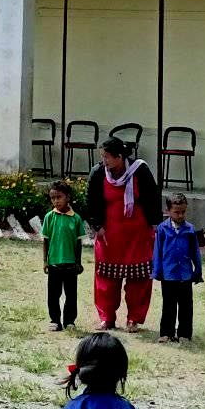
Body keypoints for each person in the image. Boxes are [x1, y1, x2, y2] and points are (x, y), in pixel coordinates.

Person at [83, 137, 159, 333]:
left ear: (119, 157)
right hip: (110, 233)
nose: (104, 161)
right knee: (106, 278)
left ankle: (134, 318)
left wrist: (155, 226)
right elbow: (90, 201)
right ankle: (107, 317)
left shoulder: (140, 170)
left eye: (107, 157)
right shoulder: (99, 172)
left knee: (139, 278)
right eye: (102, 156)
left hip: (137, 233)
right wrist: (97, 226)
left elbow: (152, 197)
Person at [152, 192, 204, 343]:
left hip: (185, 274)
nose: (180, 215)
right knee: (168, 305)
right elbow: (158, 251)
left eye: (183, 212)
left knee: (186, 306)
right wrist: (157, 271)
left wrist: (197, 272)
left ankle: (184, 334)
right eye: (177, 212)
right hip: (168, 274)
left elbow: (195, 253)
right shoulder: (162, 229)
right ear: (168, 211)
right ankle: (166, 333)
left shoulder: (189, 229)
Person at [42, 181, 85, 332]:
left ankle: (69, 321)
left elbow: (78, 244)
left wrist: (78, 263)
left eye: (59, 197)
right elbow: (46, 240)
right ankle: (55, 320)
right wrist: (45, 261)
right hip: (54, 263)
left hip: (71, 265)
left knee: (71, 295)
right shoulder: (49, 217)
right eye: (53, 198)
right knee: (53, 294)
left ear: (68, 197)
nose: (56, 201)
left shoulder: (76, 219)